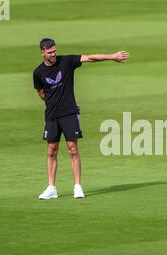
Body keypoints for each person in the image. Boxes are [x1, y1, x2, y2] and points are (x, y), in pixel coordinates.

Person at [33, 38, 130, 199]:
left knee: (73, 149)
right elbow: (41, 93)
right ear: (42, 52)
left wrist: (112, 56)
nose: (53, 54)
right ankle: (51, 188)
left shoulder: (66, 61)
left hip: (69, 114)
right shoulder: (38, 72)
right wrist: (54, 102)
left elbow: (90, 58)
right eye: (49, 52)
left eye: (54, 51)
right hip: (51, 116)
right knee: (51, 151)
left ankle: (77, 186)